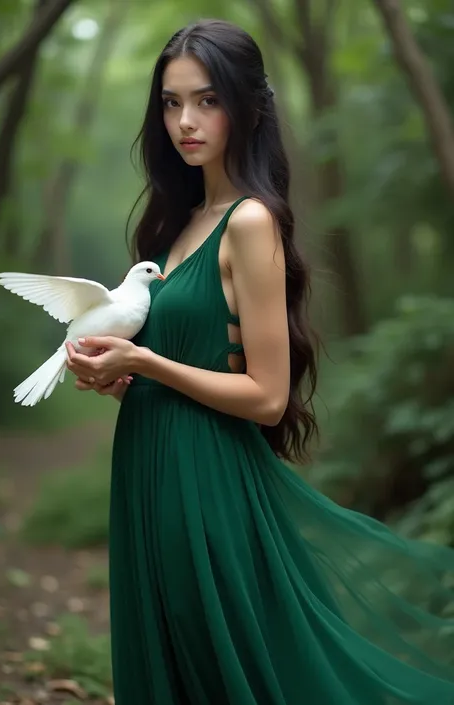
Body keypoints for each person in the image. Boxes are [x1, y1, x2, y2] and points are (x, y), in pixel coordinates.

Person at [64, 18, 454, 705]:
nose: (186, 120)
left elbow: (267, 395)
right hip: (150, 464)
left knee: (221, 665)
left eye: (207, 100)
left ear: (247, 107)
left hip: (209, 481)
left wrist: (147, 364)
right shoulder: (178, 221)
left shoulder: (249, 221)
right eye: (171, 101)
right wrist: (119, 376)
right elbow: (187, 372)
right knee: (168, 656)